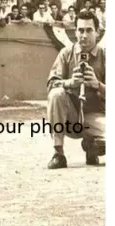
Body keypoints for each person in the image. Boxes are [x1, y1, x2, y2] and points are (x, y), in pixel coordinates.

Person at [45, 10, 106, 169]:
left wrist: (96, 84)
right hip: (71, 119)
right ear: (75, 31)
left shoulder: (105, 55)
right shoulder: (66, 53)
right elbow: (51, 83)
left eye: (88, 30)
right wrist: (70, 83)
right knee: (56, 94)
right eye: (80, 30)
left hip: (96, 116)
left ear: (97, 32)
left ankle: (91, 146)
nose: (83, 35)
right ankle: (58, 154)